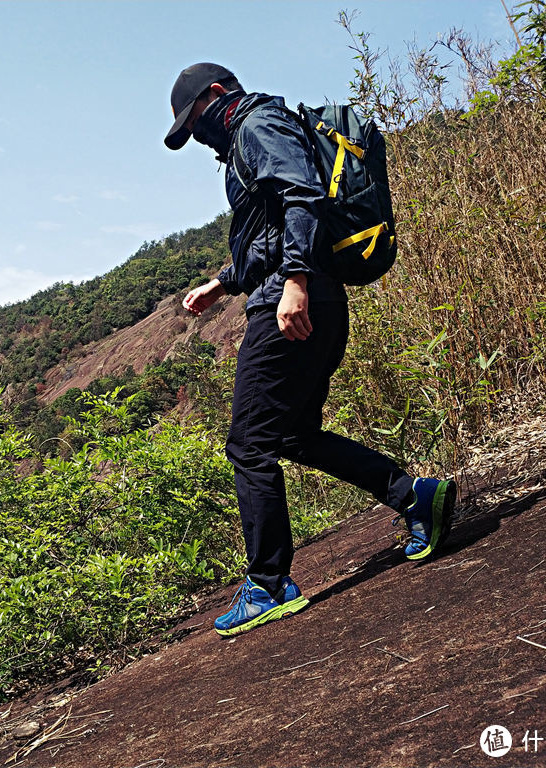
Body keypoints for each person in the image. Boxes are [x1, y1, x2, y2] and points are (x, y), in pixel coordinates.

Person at [164, 63, 457, 637]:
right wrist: (222, 283)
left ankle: (268, 583)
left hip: (293, 303)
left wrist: (294, 281)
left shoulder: (255, 122)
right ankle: (416, 498)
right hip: (314, 299)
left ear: (217, 96)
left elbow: (301, 194)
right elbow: (265, 231)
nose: (200, 137)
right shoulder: (252, 133)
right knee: (292, 434)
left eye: (196, 122)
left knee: (249, 445)